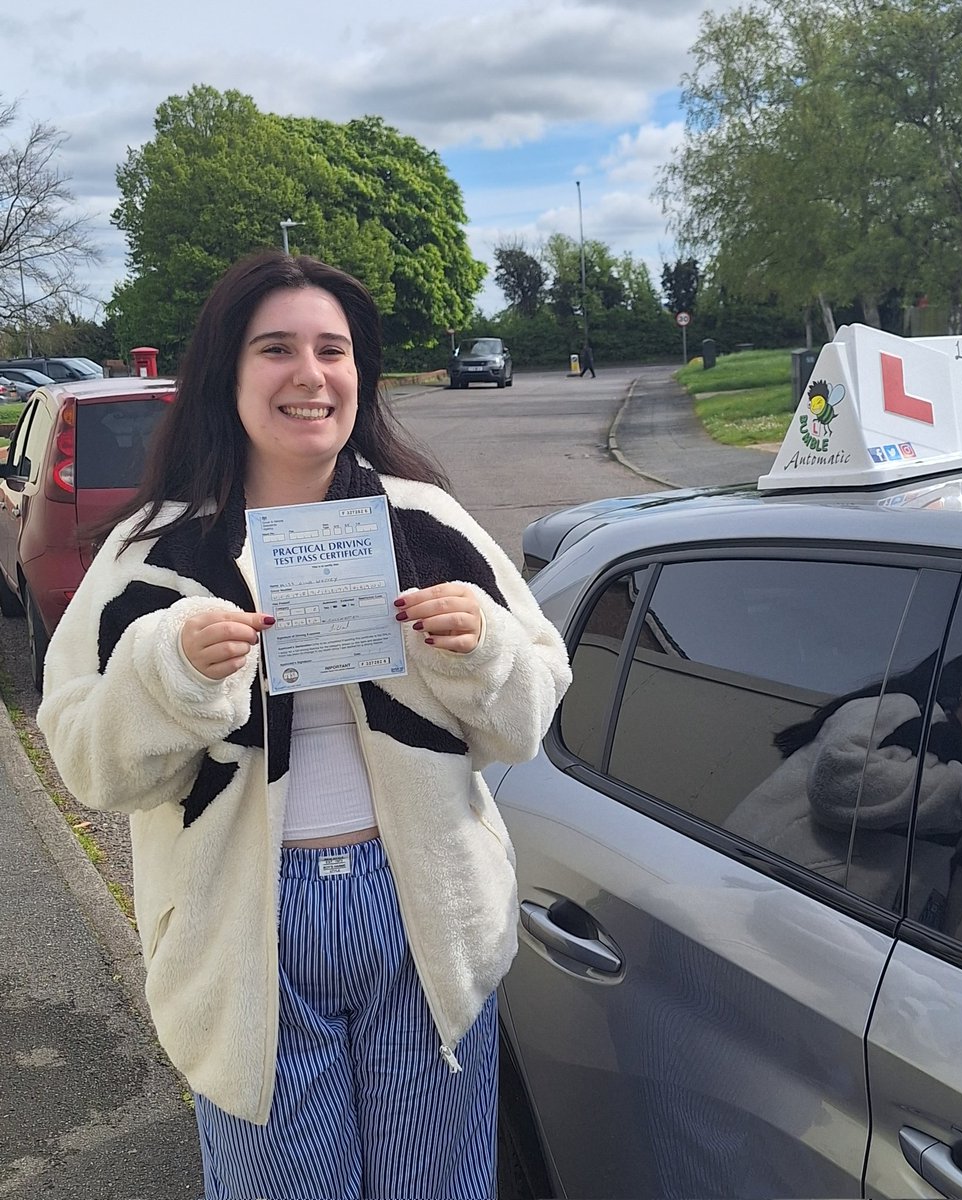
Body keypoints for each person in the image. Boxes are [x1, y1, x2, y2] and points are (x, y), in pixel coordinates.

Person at [37, 250, 572, 1200]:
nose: (309, 373)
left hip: (422, 909)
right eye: (275, 348)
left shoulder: (426, 520)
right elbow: (84, 757)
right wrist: (168, 673)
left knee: (437, 1187)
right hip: (246, 924)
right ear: (227, 374)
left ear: (359, 373)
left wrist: (481, 648)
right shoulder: (154, 549)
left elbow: (530, 711)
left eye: (332, 349)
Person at [725, 652, 962, 921]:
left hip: (849, 932)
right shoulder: (900, 711)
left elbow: (952, 864)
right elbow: (839, 784)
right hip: (765, 899)